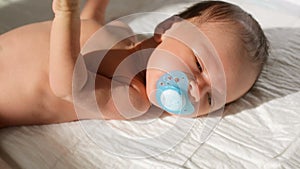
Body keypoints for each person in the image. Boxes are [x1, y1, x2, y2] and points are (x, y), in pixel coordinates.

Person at [0, 0, 269, 128]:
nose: (196, 90)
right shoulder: (124, 33)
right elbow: (89, 25)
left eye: (211, 98)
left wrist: (64, 14)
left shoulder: (133, 96)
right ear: (167, 28)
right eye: (199, 65)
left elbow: (66, 85)